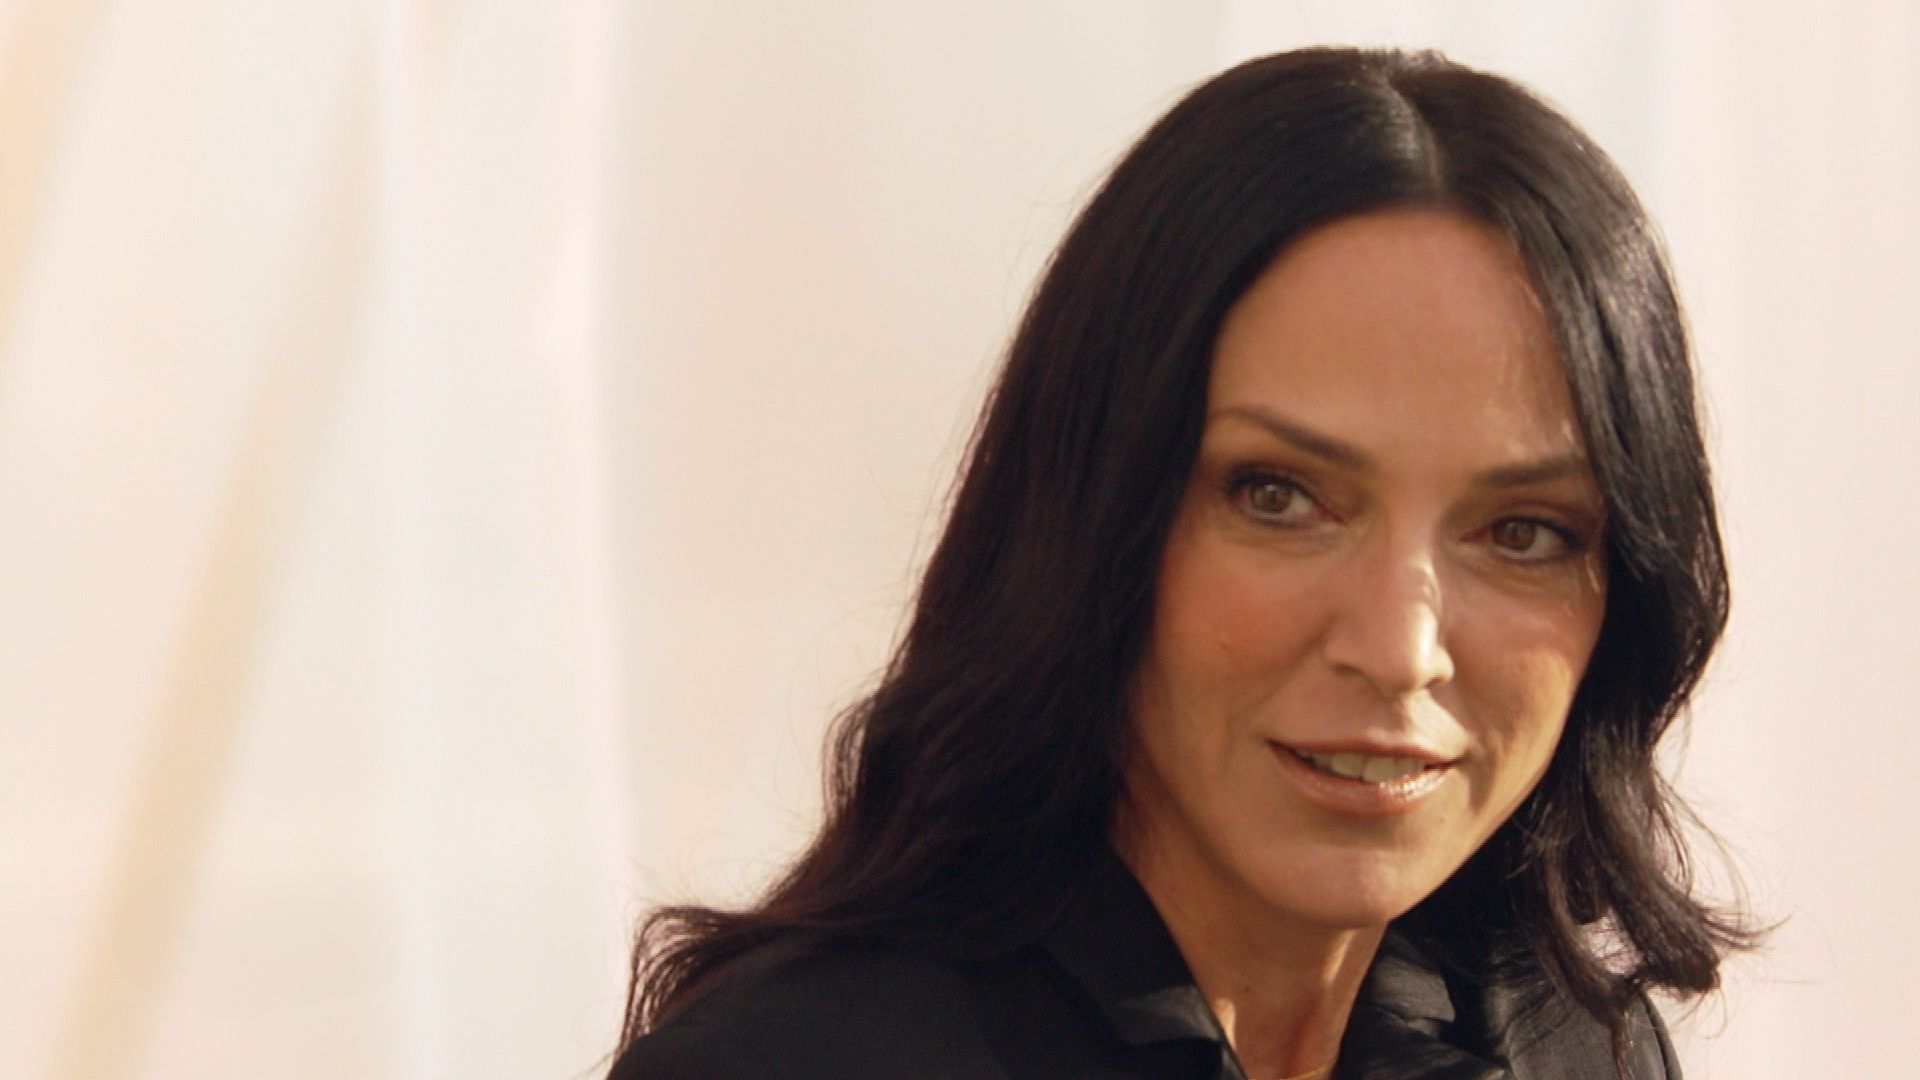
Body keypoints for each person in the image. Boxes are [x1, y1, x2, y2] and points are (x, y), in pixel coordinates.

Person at [608, 47, 1755, 1080]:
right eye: (1280, 497)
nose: (1400, 651)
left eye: (1523, 532)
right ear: (1095, 517)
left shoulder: (1575, 1050)